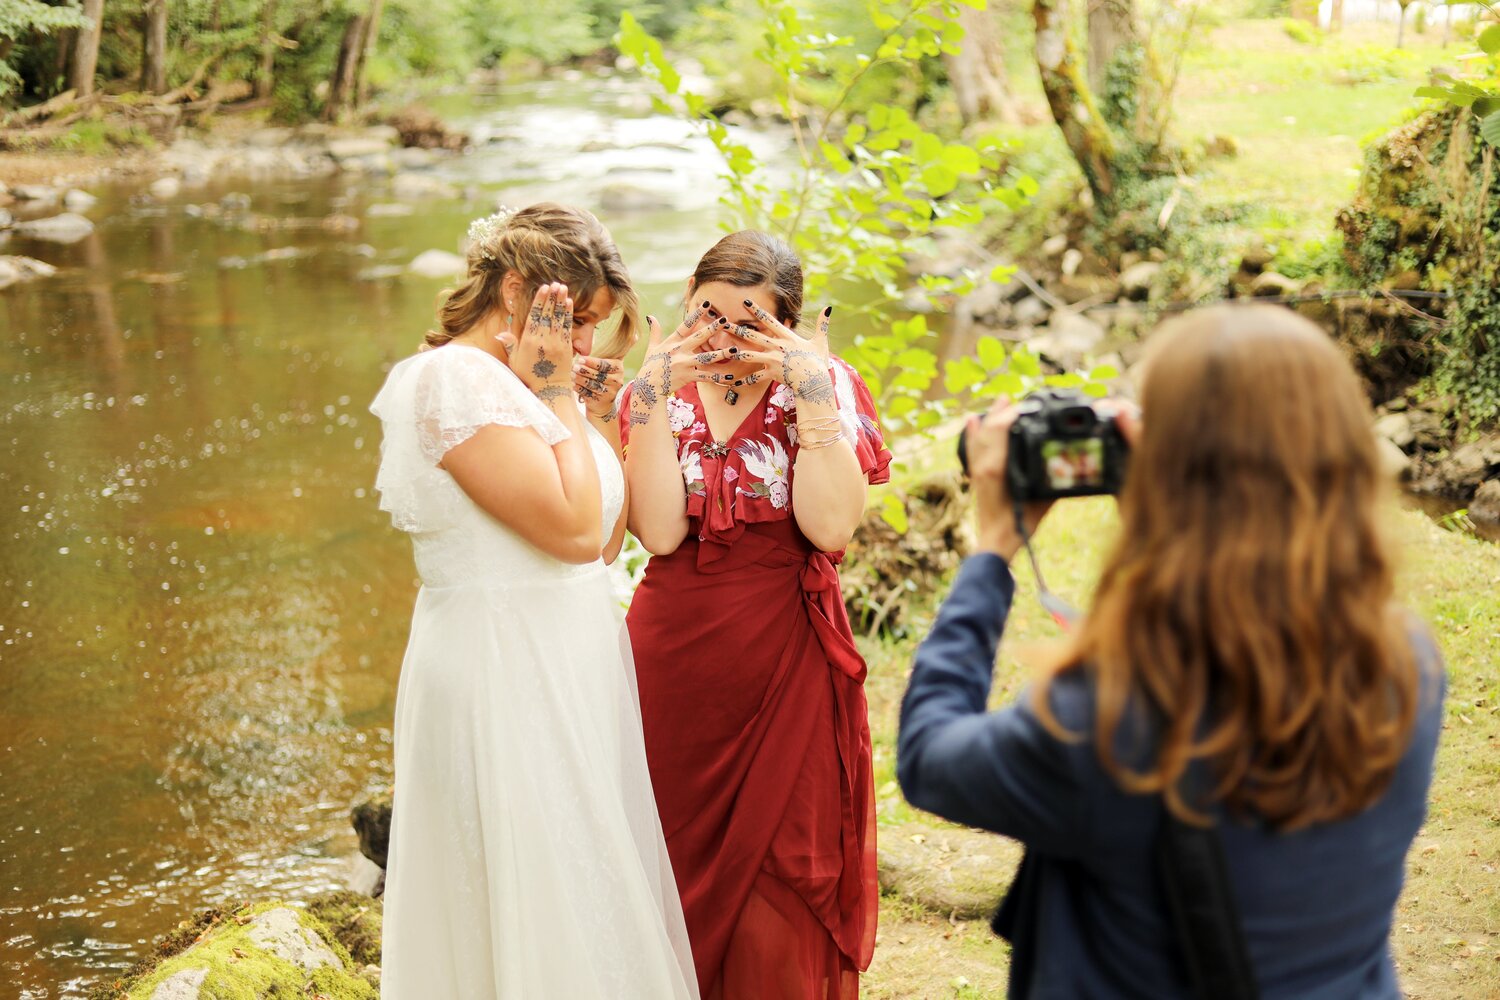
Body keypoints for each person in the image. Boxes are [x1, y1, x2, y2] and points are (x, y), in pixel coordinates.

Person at [897, 304, 1446, 999]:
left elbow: (929, 754)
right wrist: (1171, 514)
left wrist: (991, 554)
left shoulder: (1110, 716)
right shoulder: (1404, 661)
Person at [370, 203, 697, 998]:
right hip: (498, 662)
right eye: (576, 320)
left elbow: (611, 541)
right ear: (515, 290)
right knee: (522, 877)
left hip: (569, 654)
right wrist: (557, 400)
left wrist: (587, 416)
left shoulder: (526, 384)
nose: (584, 345)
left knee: (582, 868)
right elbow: (576, 532)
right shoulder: (452, 379)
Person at [619, 231, 890, 999]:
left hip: (786, 659)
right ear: (685, 304)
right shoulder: (659, 386)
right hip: (672, 662)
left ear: (788, 326)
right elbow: (662, 532)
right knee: (665, 862)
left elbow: (830, 528)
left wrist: (810, 393)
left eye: (748, 322)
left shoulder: (824, 383)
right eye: (707, 313)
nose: (723, 337)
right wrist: (647, 391)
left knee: (781, 875)